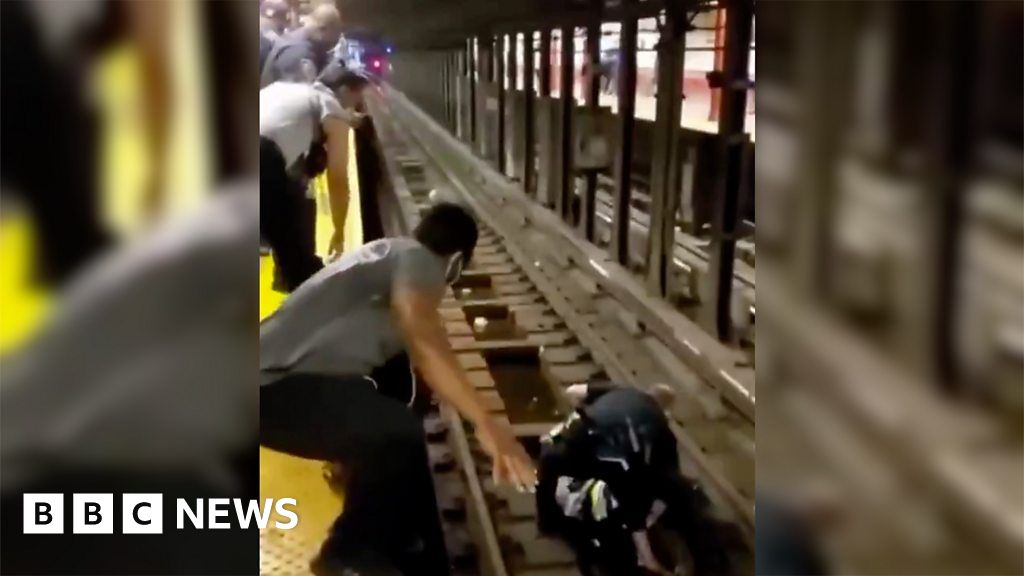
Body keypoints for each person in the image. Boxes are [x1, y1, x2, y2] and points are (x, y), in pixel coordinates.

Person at [259, 202, 537, 575]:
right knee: (397, 432)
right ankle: (347, 554)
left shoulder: (386, 256)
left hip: (268, 385)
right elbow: (421, 332)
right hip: (271, 388)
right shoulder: (420, 261)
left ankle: (395, 536)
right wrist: (486, 423)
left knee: (392, 427)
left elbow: (414, 353)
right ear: (455, 262)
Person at [536, 381, 732, 576]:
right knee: (614, 510)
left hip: (558, 446)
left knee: (559, 496)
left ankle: (549, 524)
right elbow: (638, 501)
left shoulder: (625, 391)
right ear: (664, 410)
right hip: (589, 456)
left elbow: (575, 391)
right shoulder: (650, 431)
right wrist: (649, 559)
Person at [259, 67, 365, 292]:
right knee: (297, 255)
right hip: (262, 156)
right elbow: (338, 177)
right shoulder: (330, 106)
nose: (353, 108)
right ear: (344, 89)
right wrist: (338, 233)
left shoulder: (285, 89)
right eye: (355, 101)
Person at [260, 3, 342, 87]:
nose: (328, 49)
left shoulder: (300, 39)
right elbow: (301, 93)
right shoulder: (300, 51)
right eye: (329, 44)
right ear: (322, 28)